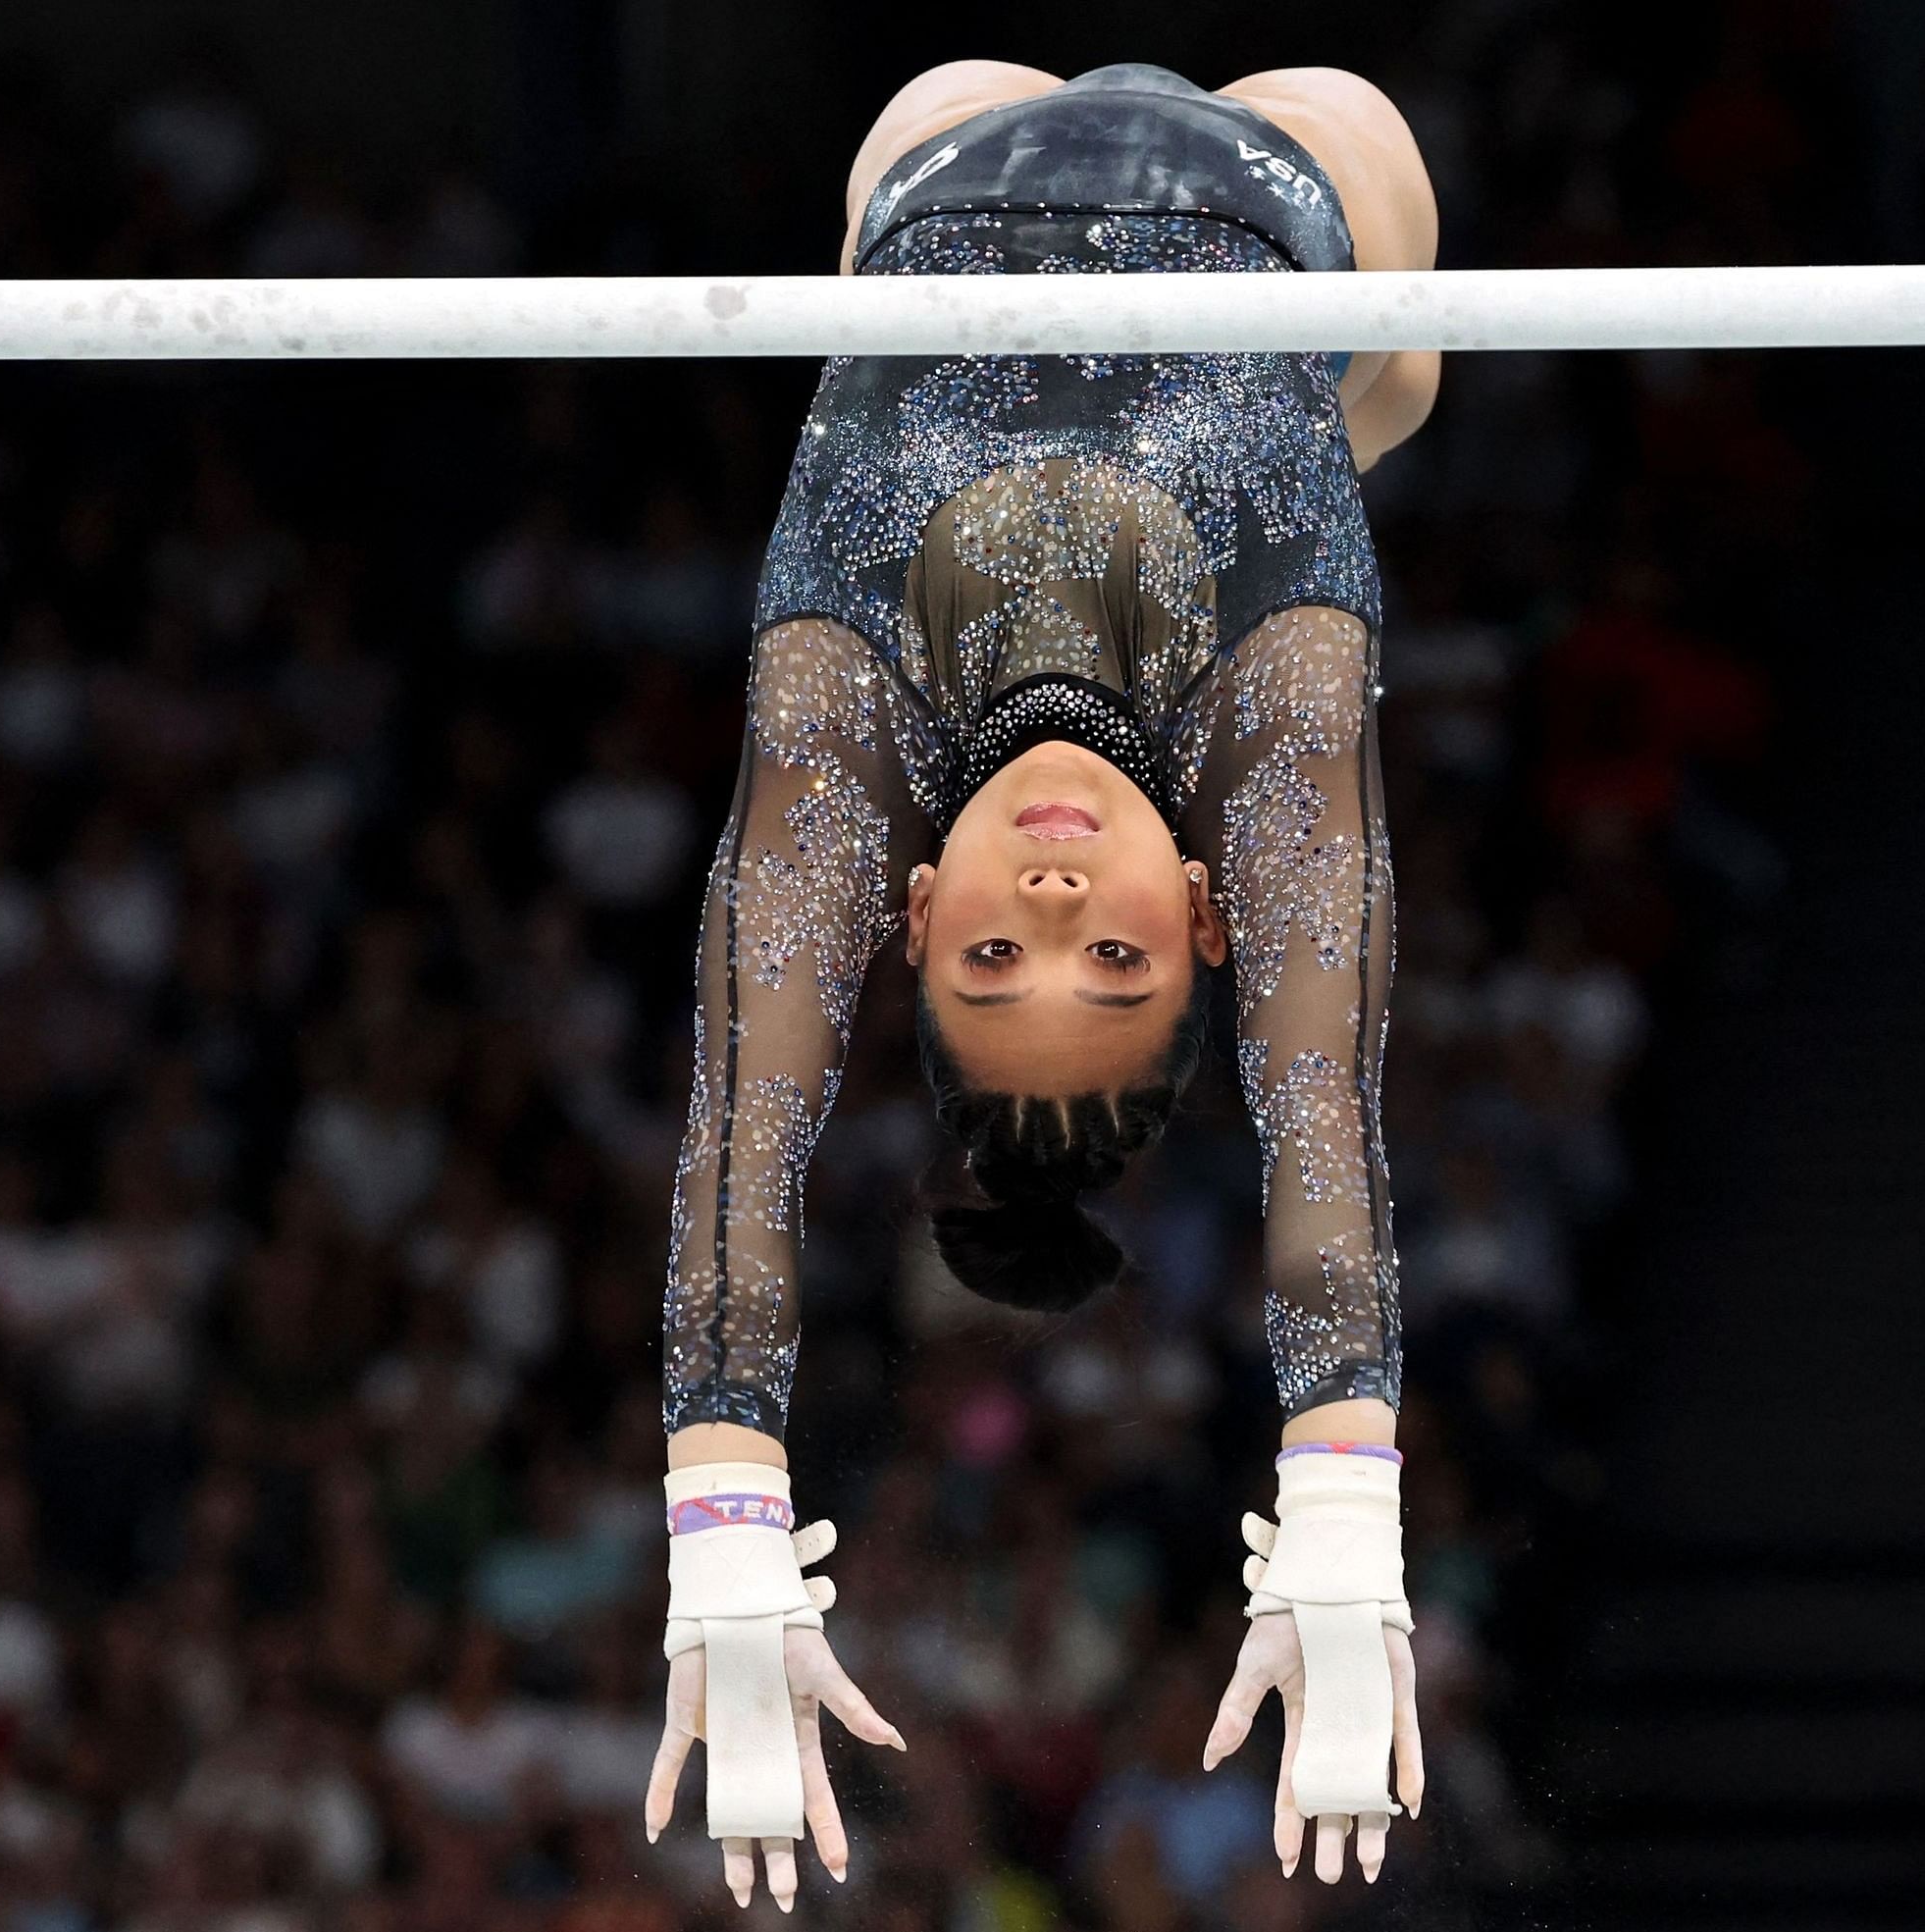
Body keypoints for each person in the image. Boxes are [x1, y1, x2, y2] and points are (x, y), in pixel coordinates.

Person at [638, 61, 1439, 1911]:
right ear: (1214, 909)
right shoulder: (1277, 708)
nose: (1061, 888)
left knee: (934, 128)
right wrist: (1338, 1523)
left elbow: (745, 1120)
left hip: (937, 163)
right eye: (1117, 951)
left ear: (910, 912)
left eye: (1002, 951)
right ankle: (1357, 392)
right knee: (1383, 371)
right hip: (1285, 187)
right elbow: (1322, 1104)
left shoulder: (843, 716)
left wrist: (725, 1535)